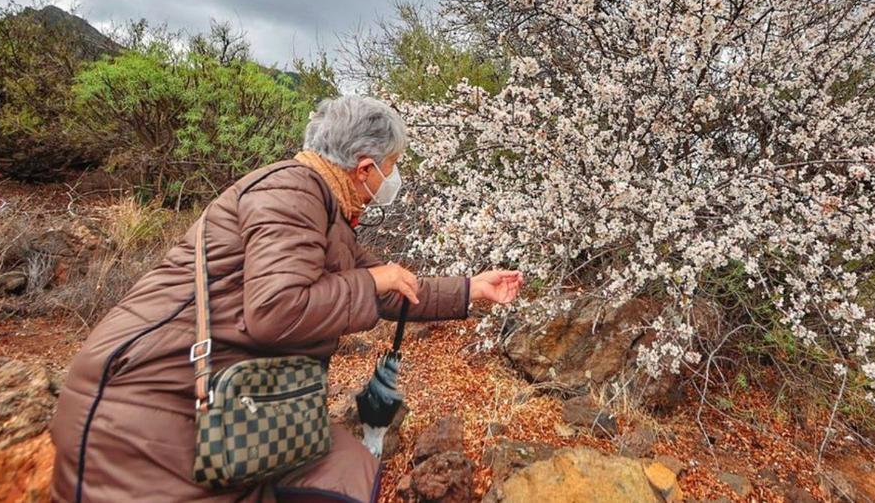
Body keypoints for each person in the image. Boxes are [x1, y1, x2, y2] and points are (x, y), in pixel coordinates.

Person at [49, 95, 522, 502]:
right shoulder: (291, 191)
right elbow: (277, 311)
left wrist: (471, 289)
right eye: (391, 169)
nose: (390, 182)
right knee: (343, 477)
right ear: (364, 168)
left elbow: (386, 287)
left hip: (225, 405)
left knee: (349, 473)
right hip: (149, 411)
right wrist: (374, 281)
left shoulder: (326, 209)